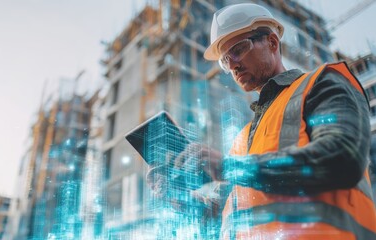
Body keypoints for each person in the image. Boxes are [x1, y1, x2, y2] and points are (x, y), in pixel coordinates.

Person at [147, 3, 376, 239]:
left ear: (272, 42)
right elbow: (220, 217)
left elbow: (342, 158)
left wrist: (229, 167)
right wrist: (178, 199)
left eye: (238, 49)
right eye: (225, 60)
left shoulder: (321, 84)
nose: (233, 65)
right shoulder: (243, 140)